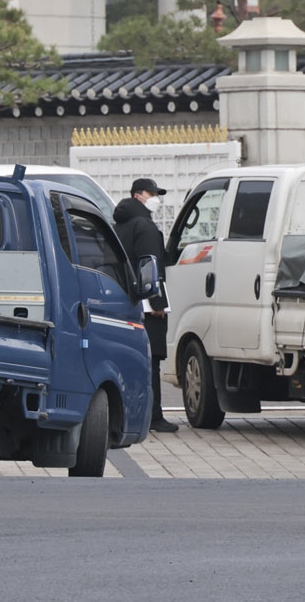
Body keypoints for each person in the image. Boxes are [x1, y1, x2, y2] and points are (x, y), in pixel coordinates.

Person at [113, 178, 176, 434]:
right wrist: (158, 301)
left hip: (126, 300)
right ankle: (154, 416)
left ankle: (132, 414)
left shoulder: (119, 224)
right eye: (152, 193)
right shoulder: (145, 226)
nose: (156, 198)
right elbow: (150, 266)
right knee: (152, 361)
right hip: (148, 304)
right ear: (139, 195)